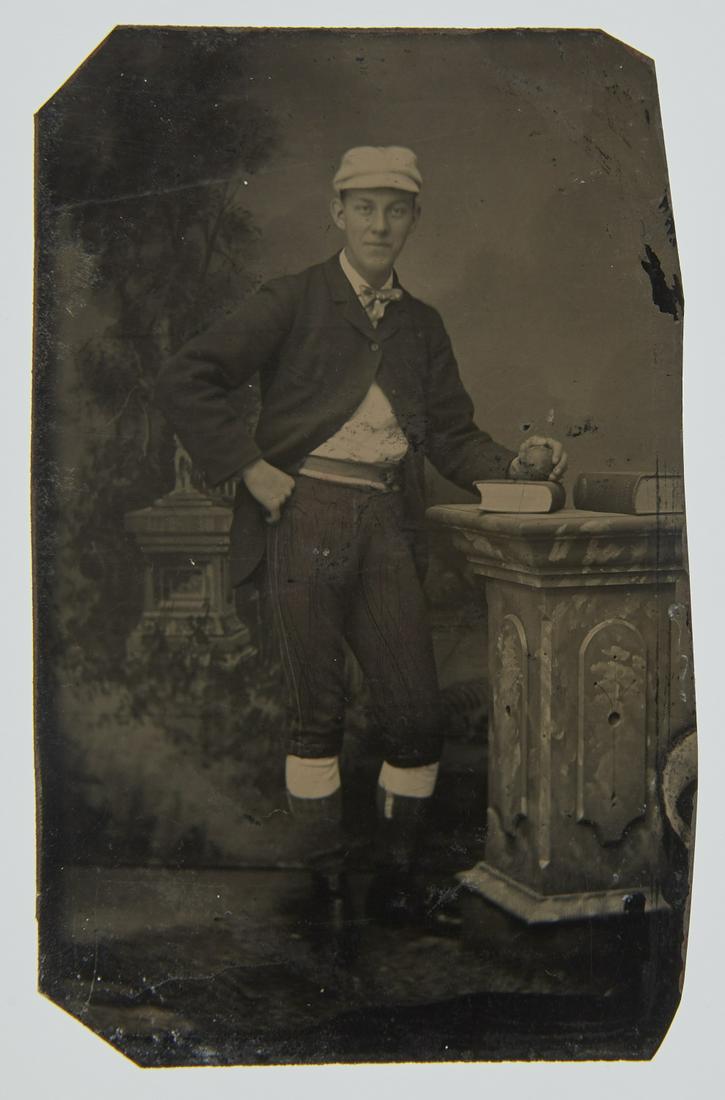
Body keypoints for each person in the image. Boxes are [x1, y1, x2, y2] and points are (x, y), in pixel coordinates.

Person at [155, 146, 567, 928]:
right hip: (300, 516)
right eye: (365, 207)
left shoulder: (420, 325)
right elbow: (186, 377)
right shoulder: (293, 298)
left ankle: (395, 887)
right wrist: (249, 465)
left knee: (413, 716)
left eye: (397, 208)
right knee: (317, 715)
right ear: (336, 213)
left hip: (386, 527)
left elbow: (451, 436)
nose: (380, 223)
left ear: (414, 219)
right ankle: (327, 897)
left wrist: (519, 466)